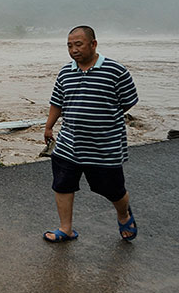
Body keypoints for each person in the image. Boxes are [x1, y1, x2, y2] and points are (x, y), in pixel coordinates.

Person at [43, 26, 139, 243]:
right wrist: (49, 127)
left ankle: (124, 214)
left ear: (93, 44)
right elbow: (57, 102)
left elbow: (128, 102)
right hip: (69, 143)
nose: (73, 50)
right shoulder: (65, 72)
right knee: (62, 184)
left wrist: (101, 118)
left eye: (78, 44)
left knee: (113, 189)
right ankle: (65, 229)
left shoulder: (116, 71)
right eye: (69, 45)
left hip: (104, 147)